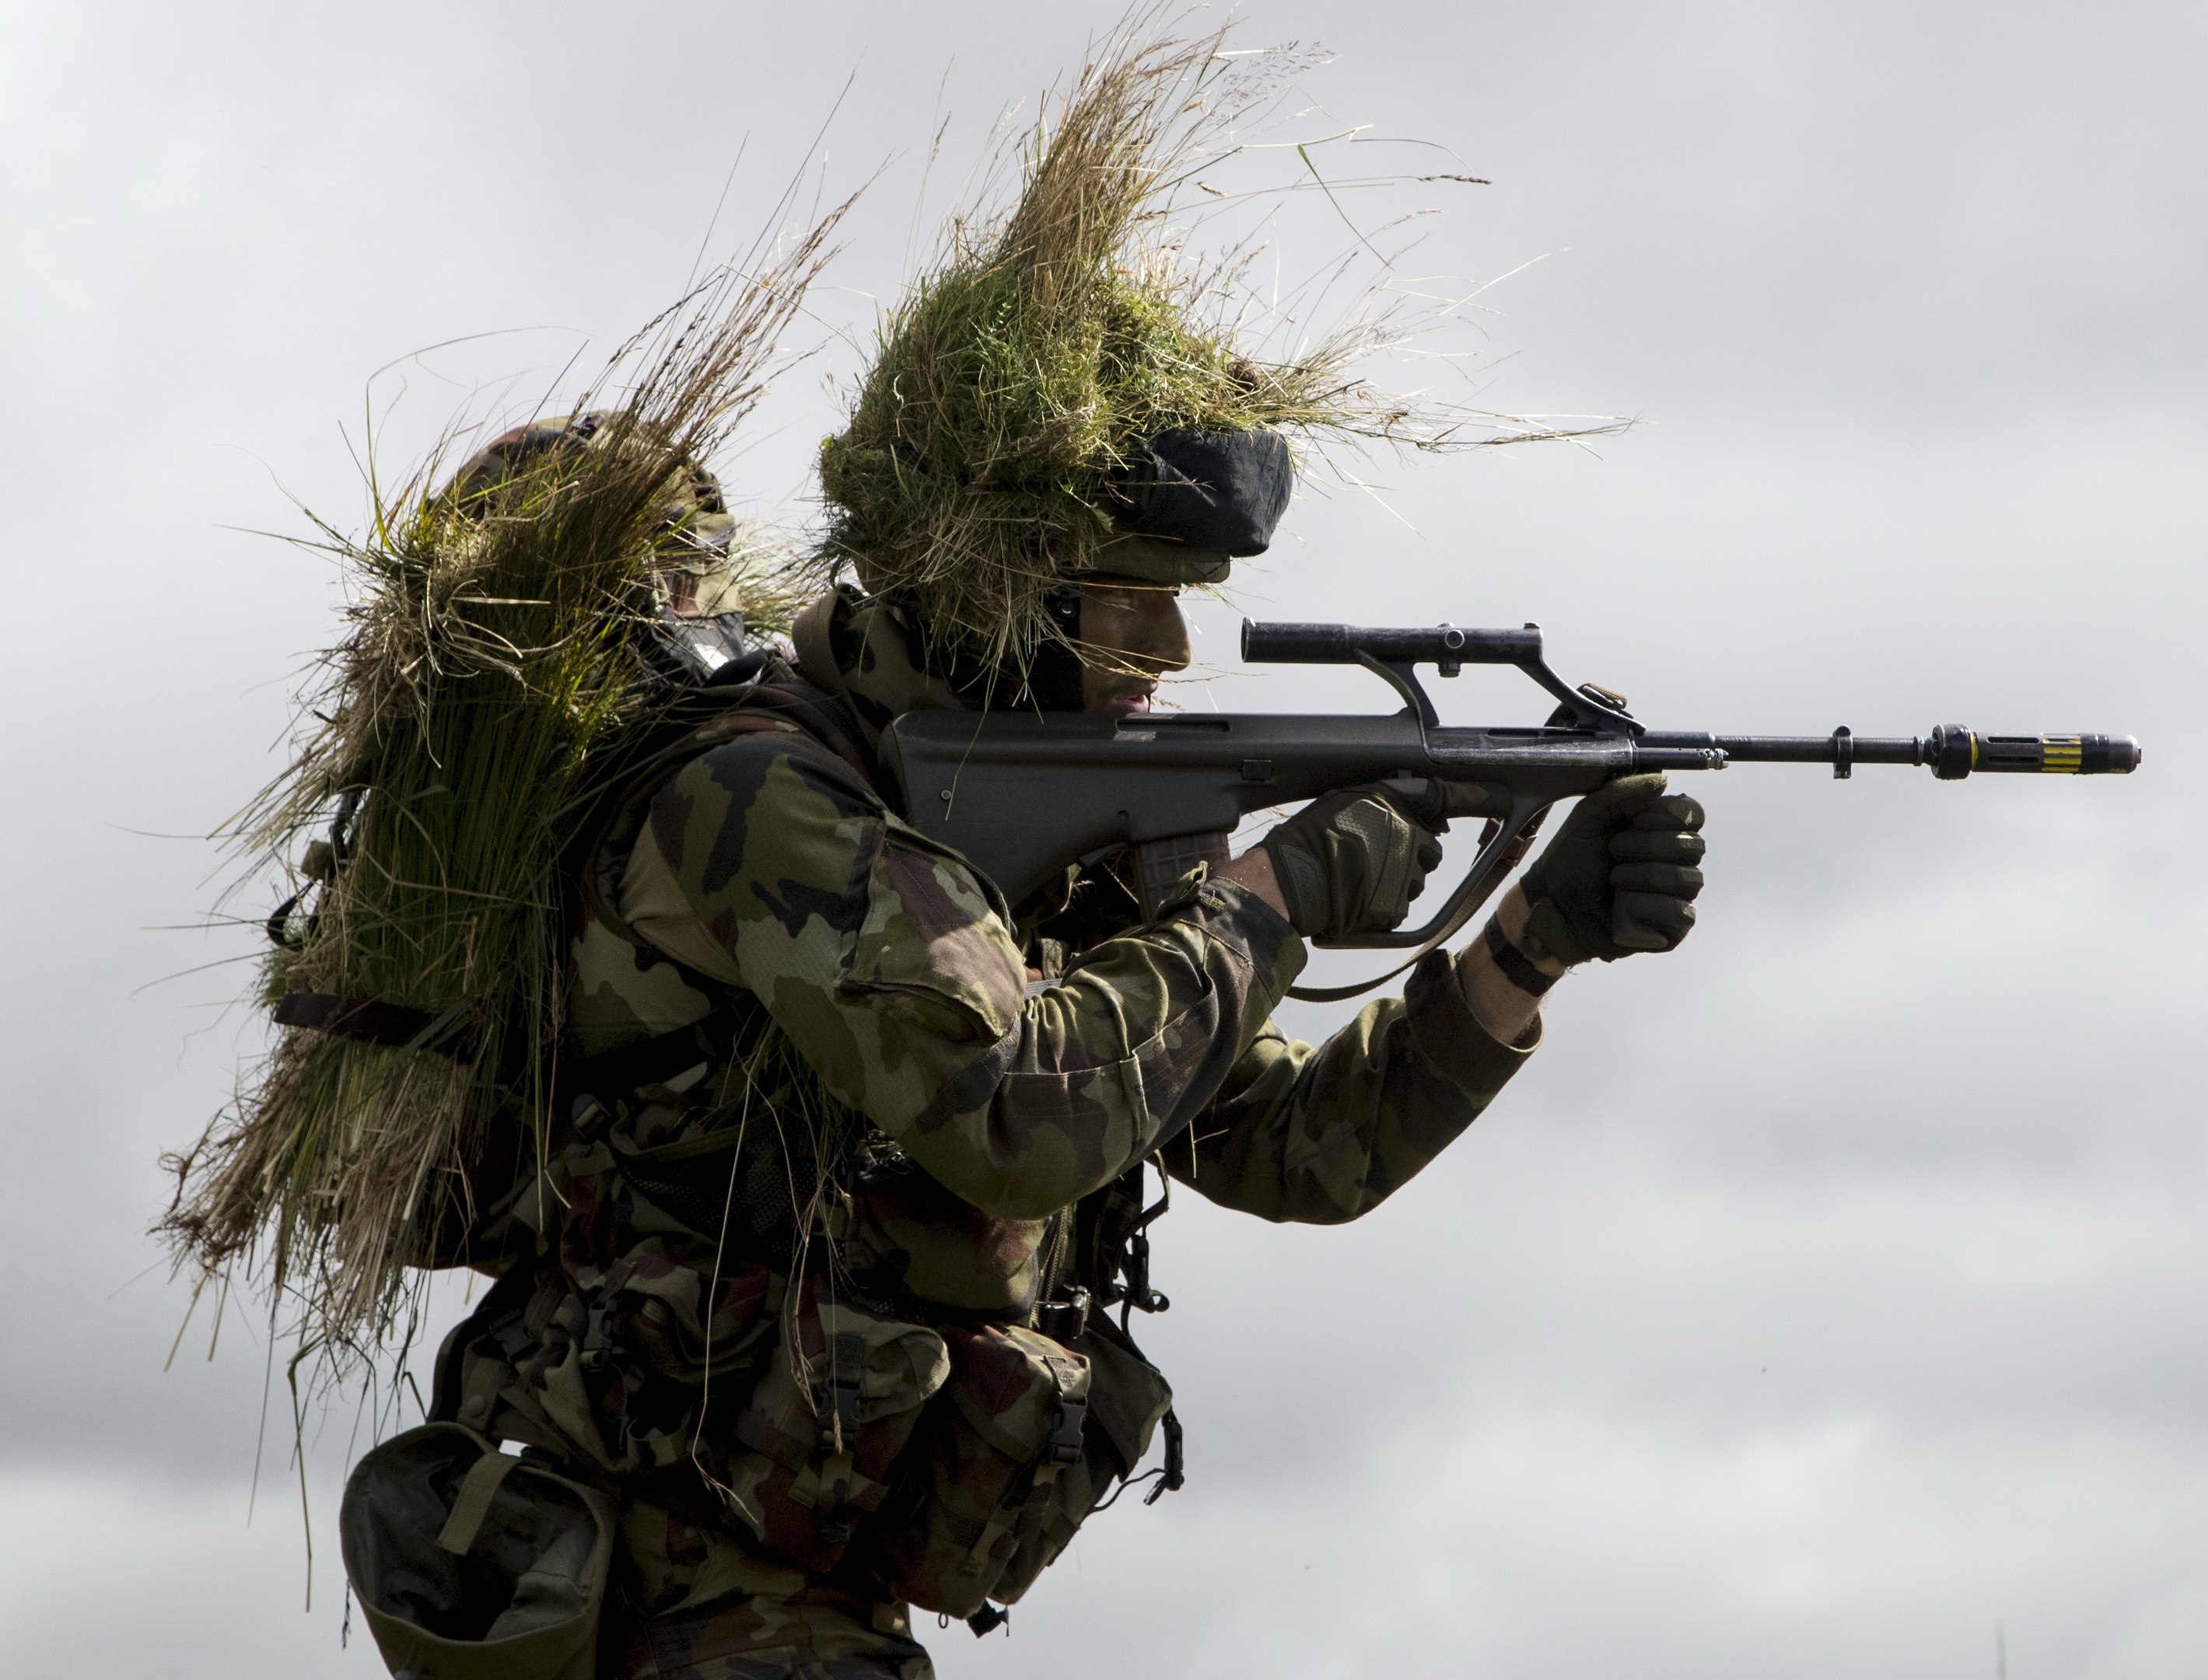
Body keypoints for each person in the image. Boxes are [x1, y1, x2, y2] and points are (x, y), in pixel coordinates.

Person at [423, 425, 1711, 1679]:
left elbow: (1295, 1148)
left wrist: (1530, 948)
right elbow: (1010, 1121)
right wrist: (1269, 898)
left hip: (782, 1580)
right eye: (1124, 601)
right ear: (991, 598)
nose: (1172, 648)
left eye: (1180, 601)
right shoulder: (756, 797)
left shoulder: (1023, 848)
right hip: (653, 1576)